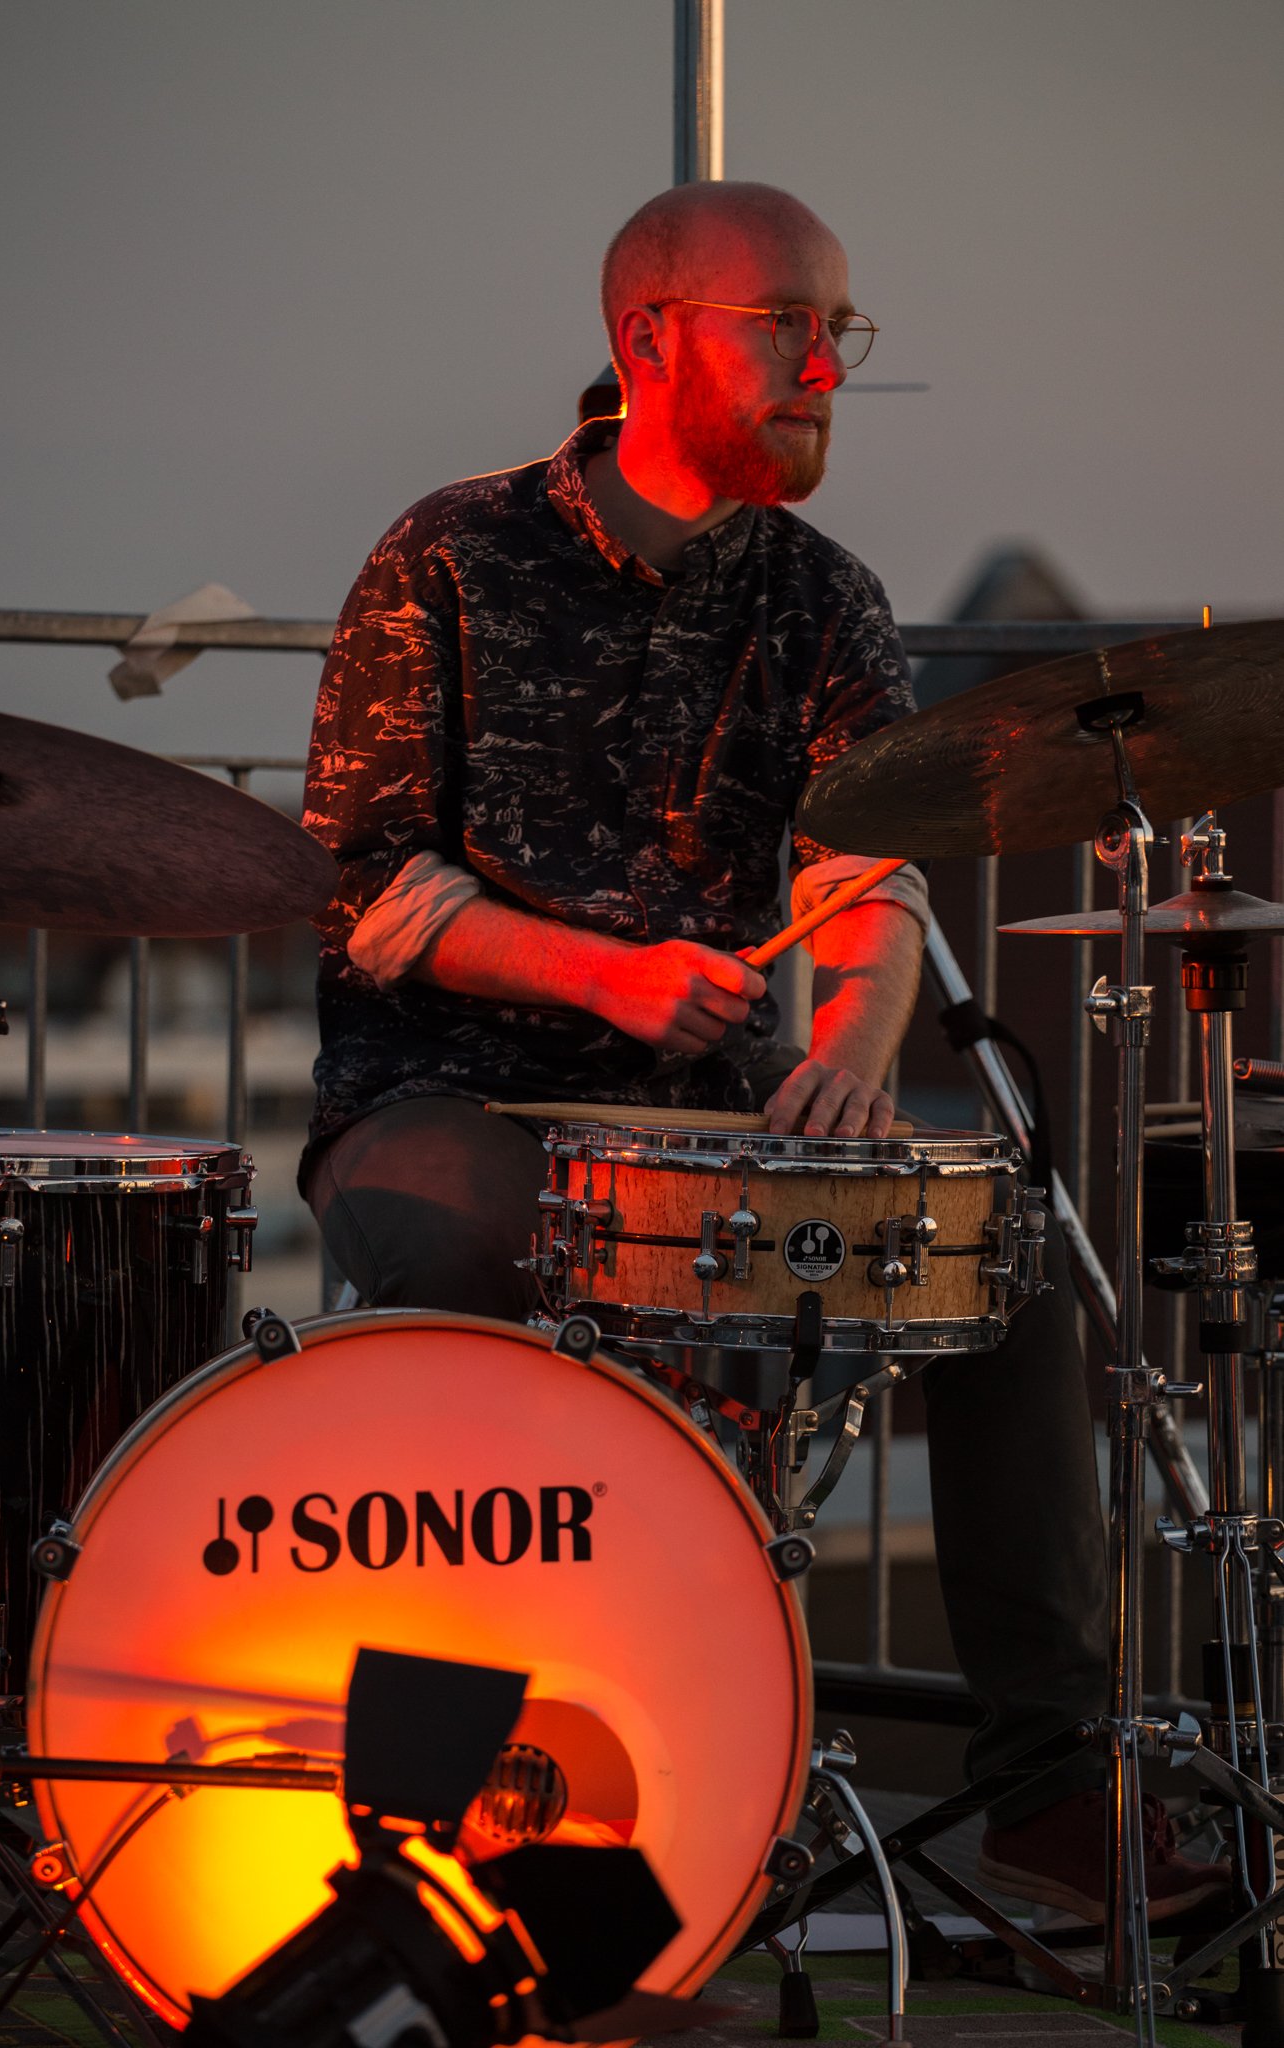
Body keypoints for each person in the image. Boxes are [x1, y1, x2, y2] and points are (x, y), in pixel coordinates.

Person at [300, 181, 1225, 1924]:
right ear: (648, 337)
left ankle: (1044, 1802)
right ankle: (452, 1795)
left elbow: (864, 874)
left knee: (1005, 1278)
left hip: (712, 1127)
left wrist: (855, 1049)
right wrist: (606, 979)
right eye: (783, 325)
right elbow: (371, 892)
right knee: (466, 1255)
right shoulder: (448, 553)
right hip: (447, 1097)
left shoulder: (820, 596)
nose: (823, 366)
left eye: (838, 330)